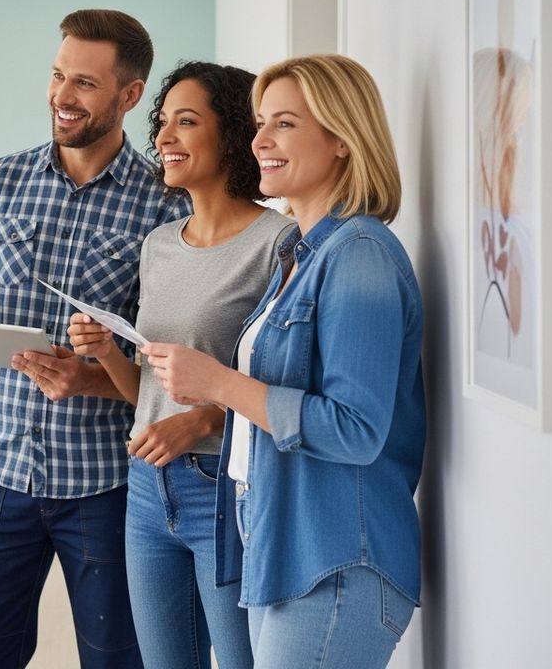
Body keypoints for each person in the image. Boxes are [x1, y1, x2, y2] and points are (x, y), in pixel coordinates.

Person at [0, 9, 189, 668]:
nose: (62, 96)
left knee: (118, 658)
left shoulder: (167, 205)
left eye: (85, 83)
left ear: (129, 95)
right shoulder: (0, 181)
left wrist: (92, 376)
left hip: (107, 482)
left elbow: (173, 363)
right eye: (58, 75)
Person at [144, 54, 426, 668]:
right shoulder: (303, 254)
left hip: (335, 564)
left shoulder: (359, 255)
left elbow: (355, 429)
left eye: (285, 124)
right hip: (286, 550)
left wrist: (219, 384)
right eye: (260, 123)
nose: (261, 140)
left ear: (343, 141)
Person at [67, 61, 291, 669]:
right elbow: (148, 390)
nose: (162, 137)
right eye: (162, 123)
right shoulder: (159, 244)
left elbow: (290, 388)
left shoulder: (280, 242)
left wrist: (203, 422)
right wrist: (106, 350)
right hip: (145, 488)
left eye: (185, 123)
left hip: (225, 489)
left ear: (236, 134)